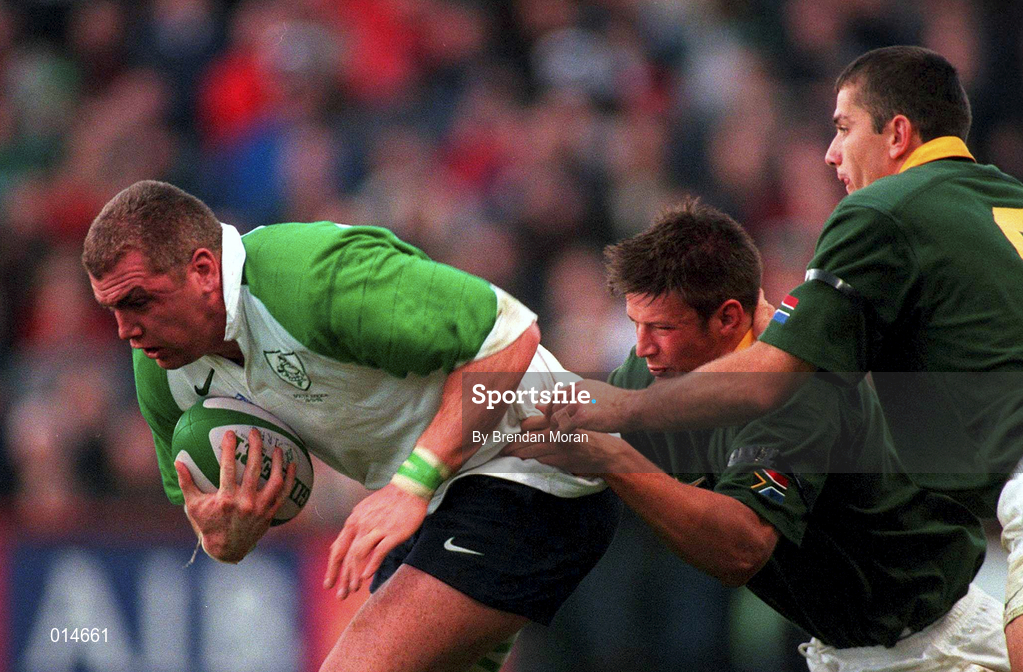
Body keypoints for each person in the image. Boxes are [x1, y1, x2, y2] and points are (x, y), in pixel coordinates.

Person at [535, 45, 1023, 666]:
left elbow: (776, 383)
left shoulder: (881, 211)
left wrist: (622, 420)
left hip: (935, 633)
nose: (831, 152)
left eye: (844, 128)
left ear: (898, 134)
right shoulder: (1006, 198)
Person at [82, 180, 621, 672]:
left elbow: (511, 337)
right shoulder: (162, 367)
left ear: (203, 271)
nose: (126, 330)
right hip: (442, 502)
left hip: (539, 463)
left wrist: (413, 482)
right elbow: (209, 526)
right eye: (112, 310)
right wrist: (224, 535)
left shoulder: (313, 277)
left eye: (138, 301)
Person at [505, 198, 1009, 670]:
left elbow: (741, 547)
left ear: (728, 318)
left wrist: (611, 458)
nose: (641, 349)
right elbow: (566, 409)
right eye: (635, 324)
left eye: (660, 328)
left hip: (940, 650)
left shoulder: (799, 392)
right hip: (846, 652)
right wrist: (486, 410)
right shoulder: (663, 370)